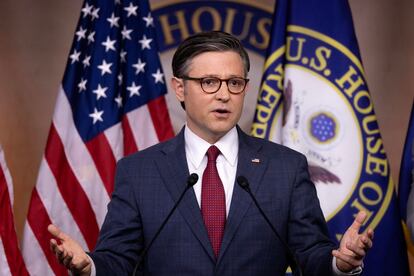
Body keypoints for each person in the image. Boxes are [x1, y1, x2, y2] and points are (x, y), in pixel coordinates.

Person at [48, 31, 373, 276]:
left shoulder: (285, 167)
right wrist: (87, 265)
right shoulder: (139, 171)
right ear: (179, 88)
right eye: (208, 82)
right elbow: (117, 259)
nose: (223, 95)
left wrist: (340, 264)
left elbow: (310, 253)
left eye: (234, 83)